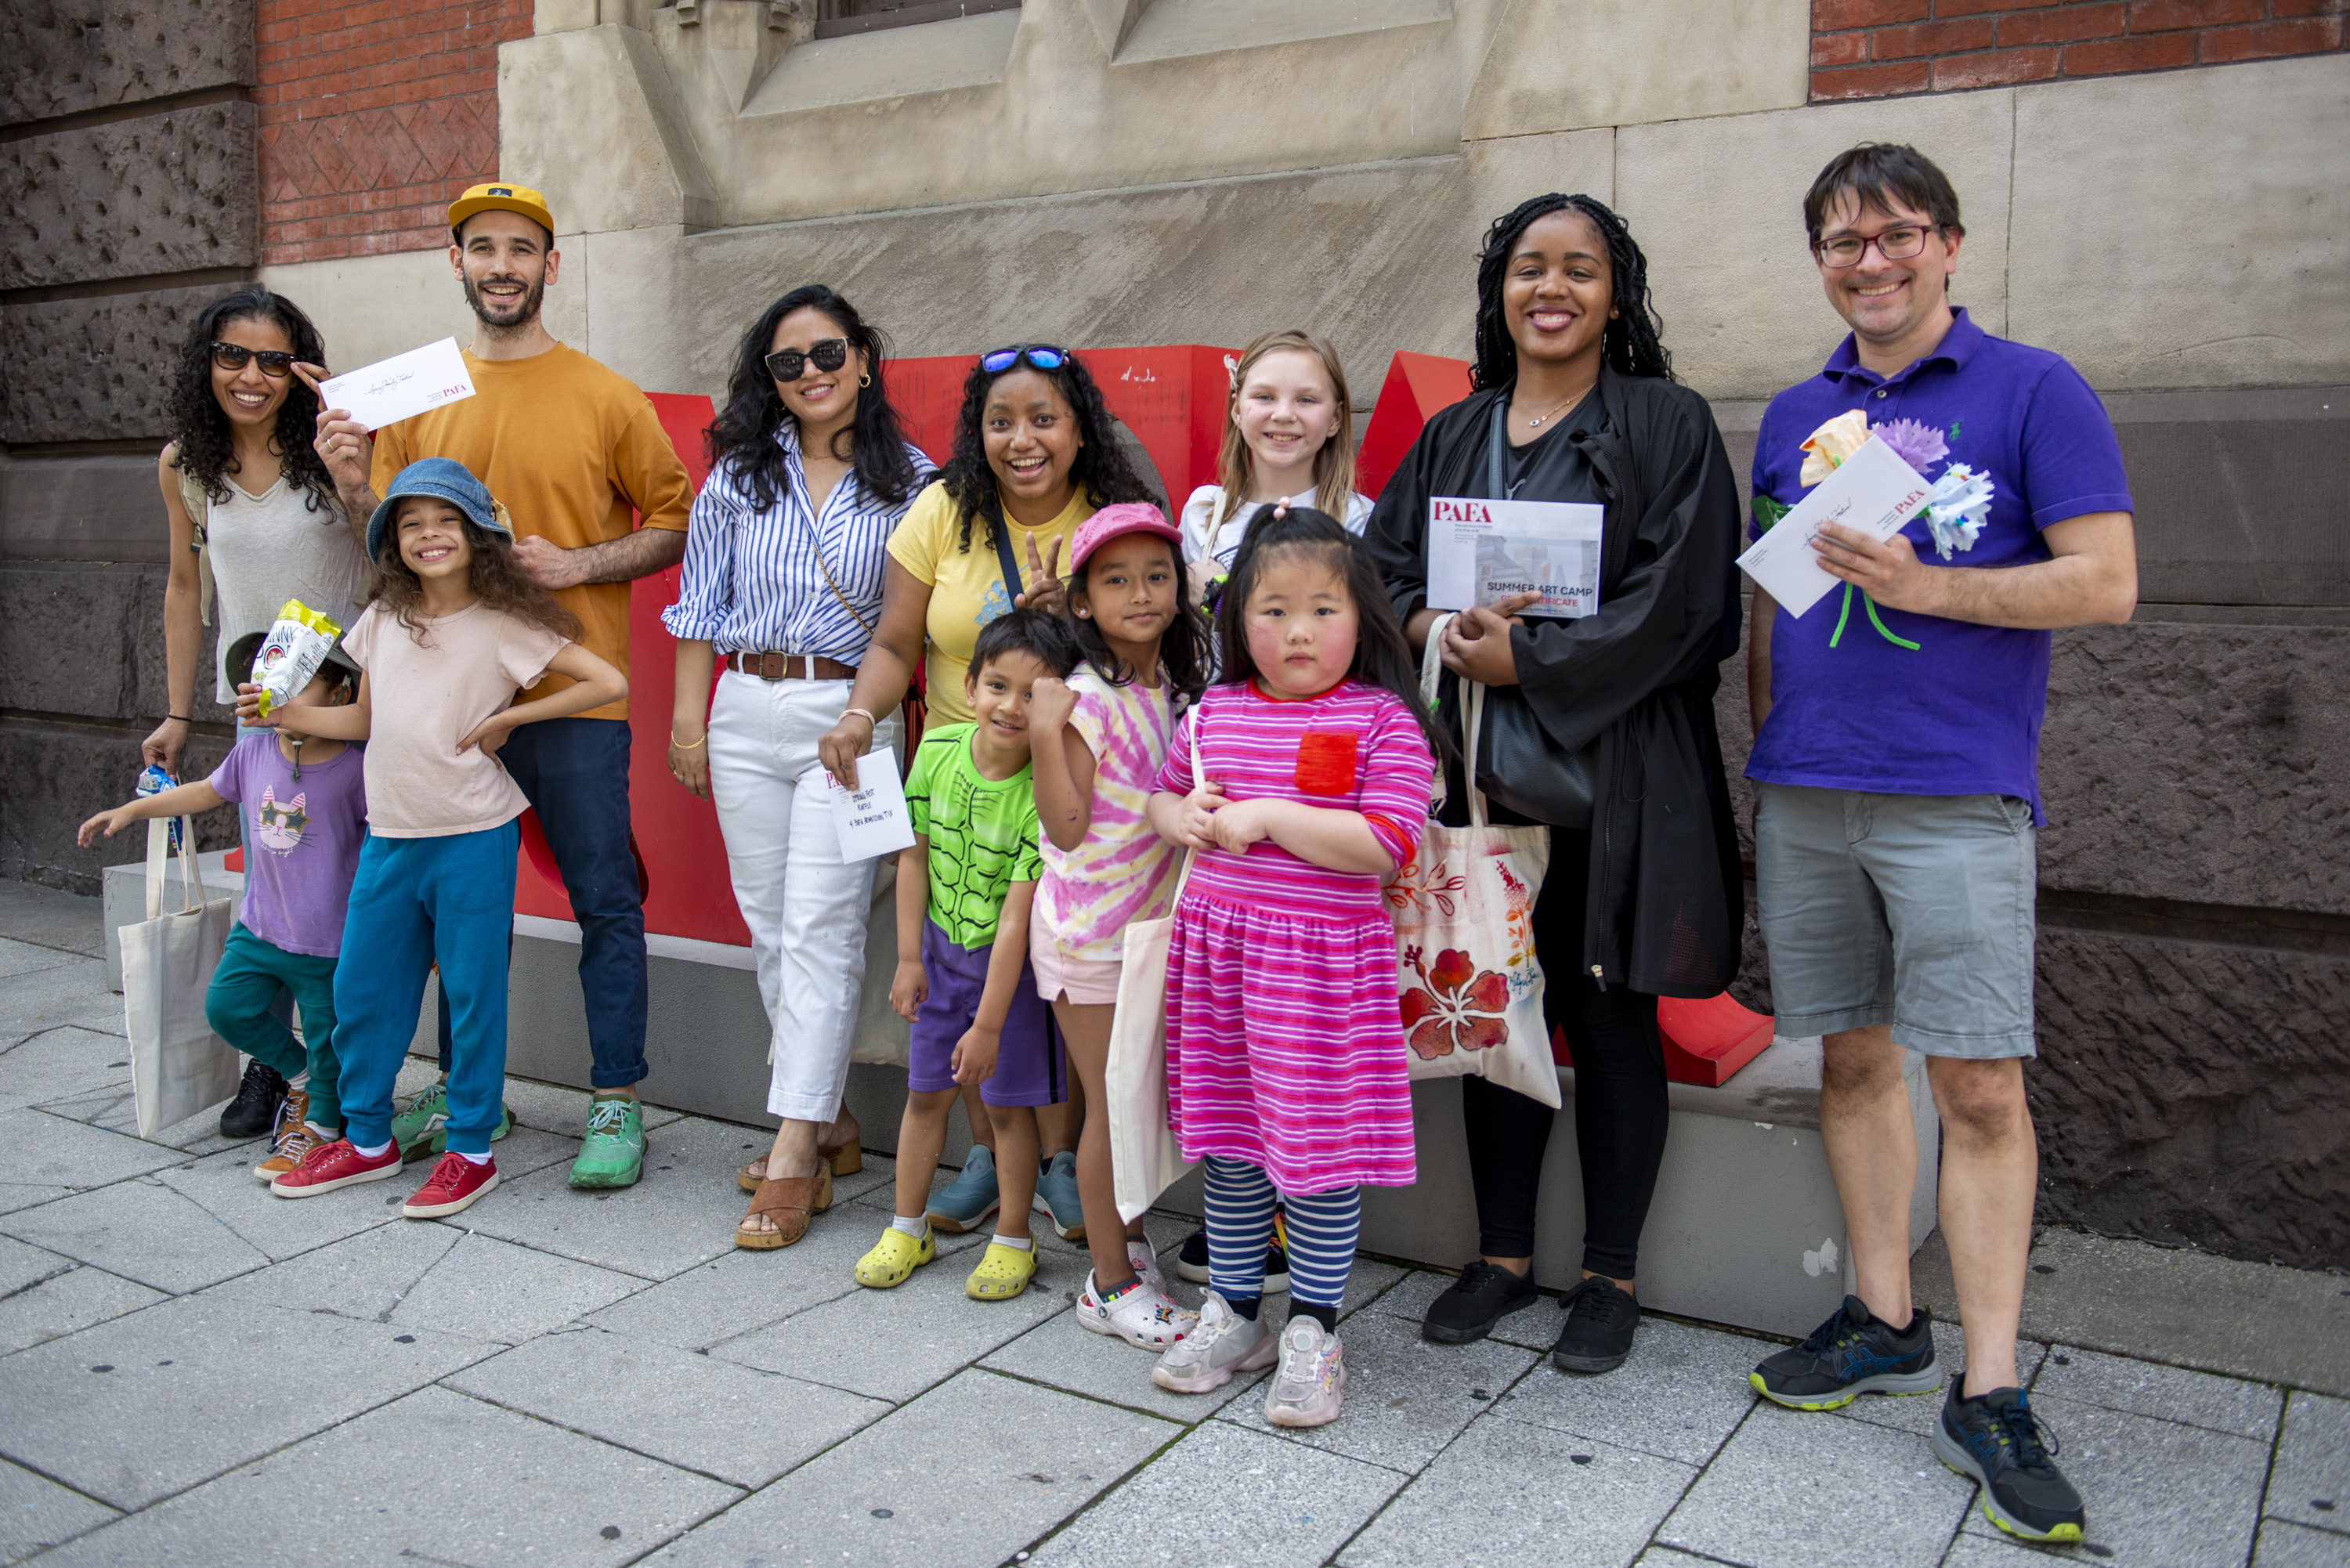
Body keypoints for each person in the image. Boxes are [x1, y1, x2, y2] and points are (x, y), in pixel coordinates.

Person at [1742, 143, 2135, 1548]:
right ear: (1822, 263)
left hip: (1957, 793)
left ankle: (1992, 1383)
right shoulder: (1796, 411)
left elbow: (2108, 583)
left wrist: (1928, 584)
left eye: (1898, 234)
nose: (1873, 260)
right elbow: (1767, 609)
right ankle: (1886, 1318)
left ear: (1950, 246)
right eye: (1843, 242)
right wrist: (1766, 753)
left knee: (1977, 1086)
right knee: (1851, 1056)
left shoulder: (2035, 389)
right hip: (1807, 788)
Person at [1363, 193, 1746, 1375]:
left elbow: (1685, 604)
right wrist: (1432, 621)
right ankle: (1505, 1256)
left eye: (1580, 269)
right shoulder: (1453, 433)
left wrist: (1530, 656)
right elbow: (1376, 572)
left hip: (1625, 779)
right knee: (1496, 1008)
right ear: (1502, 291)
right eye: (1531, 267)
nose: (1553, 288)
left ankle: (1611, 1276)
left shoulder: (1668, 422)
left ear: (1613, 294)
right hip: (1485, 781)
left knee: (1612, 1015)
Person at [306, 181, 692, 1188]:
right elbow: (388, 541)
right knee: (448, 908)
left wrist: (579, 564)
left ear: (550, 266)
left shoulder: (607, 395)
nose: (503, 265)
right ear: (459, 263)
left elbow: (675, 521)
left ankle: (617, 1096)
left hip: (571, 697)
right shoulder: (411, 396)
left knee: (605, 896)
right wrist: (352, 482)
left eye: (523, 248)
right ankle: (465, 1093)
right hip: (446, 704)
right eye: (484, 247)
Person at [819, 345, 1158, 1236]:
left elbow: (1150, 649)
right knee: (968, 961)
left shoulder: (1117, 518)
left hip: (1077, 785)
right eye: (1000, 421)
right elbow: (894, 643)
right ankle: (992, 1149)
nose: (1022, 439)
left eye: (1043, 418)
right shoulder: (940, 508)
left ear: (1080, 428)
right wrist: (861, 716)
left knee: (1060, 978)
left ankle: (1063, 1162)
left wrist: (1069, 622)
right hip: (964, 778)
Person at [260, 459, 627, 1218]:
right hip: (391, 834)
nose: (428, 534)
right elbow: (363, 720)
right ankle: (366, 1140)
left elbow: (606, 682)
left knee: (471, 995)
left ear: (476, 534)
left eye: (444, 520)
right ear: (394, 542)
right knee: (363, 987)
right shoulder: (383, 620)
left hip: (472, 833)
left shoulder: (504, 621)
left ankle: (469, 1149)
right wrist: (289, 716)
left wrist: (508, 719)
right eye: (411, 522)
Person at [1144, 507, 1440, 1429]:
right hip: (1221, 968)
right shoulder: (1214, 711)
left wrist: (1268, 815)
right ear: (1239, 620)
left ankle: (1314, 1326)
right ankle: (1233, 1312)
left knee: (1315, 1162)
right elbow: (1161, 797)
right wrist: (1177, 818)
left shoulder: (1382, 719)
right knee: (1231, 1148)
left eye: (1322, 609)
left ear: (1363, 619)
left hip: (1317, 982)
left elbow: (1386, 842)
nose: (1298, 631)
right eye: (1273, 610)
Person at [660, 285, 938, 1249]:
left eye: (828, 354)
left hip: (847, 717)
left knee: (821, 924)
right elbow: (699, 607)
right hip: (743, 708)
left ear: (864, 357)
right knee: (773, 925)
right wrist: (690, 724)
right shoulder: (739, 476)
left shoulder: (917, 481)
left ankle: (793, 1152)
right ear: (768, 381)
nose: (812, 374)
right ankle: (831, 1120)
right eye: (789, 363)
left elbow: (914, 627)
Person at [150, 287, 371, 1141]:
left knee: (339, 889)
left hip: (349, 708)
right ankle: (277, 1071)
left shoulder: (331, 445)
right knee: (272, 886)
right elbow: (183, 588)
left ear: (299, 368)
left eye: (274, 360)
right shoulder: (185, 466)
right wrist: (177, 712)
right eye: (232, 356)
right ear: (206, 363)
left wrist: (350, 462)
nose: (252, 375)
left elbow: (383, 539)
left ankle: (347, 1063)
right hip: (258, 707)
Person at [80, 632, 367, 1174]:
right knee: (227, 1007)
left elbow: (382, 847)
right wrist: (133, 811)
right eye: (268, 679)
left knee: (331, 1040)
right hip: (259, 929)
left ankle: (317, 1124)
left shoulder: (356, 770)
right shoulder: (254, 749)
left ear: (339, 693)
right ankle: (299, 1076)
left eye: (300, 681)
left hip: (328, 942)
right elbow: (207, 792)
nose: (276, 692)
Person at [851, 610, 1073, 1300]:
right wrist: (909, 958)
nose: (1012, 707)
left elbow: (1017, 916)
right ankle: (906, 1225)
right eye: (998, 686)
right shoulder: (938, 751)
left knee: (1009, 1115)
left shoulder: (1046, 787)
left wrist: (988, 1023)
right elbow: (912, 857)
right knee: (925, 1100)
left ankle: (1013, 1239)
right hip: (941, 962)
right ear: (970, 685)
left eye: (1034, 696)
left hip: (1008, 979)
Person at [1026, 502, 1206, 1346]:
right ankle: (1108, 1284)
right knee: (1114, 1107)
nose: (1141, 592)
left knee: (1134, 1103)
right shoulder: (1084, 699)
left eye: (1157, 575)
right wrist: (1040, 727)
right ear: (1084, 601)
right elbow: (1064, 827)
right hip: (1090, 939)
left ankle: (1124, 1245)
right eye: (1117, 578)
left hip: (1148, 934)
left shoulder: (1173, 687)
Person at [1178, 330, 1372, 609]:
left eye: (1306, 399)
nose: (1282, 414)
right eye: (1265, 396)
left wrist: (1219, 596)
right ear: (1237, 411)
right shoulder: (1202, 512)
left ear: (1335, 418)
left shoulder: (1357, 521)